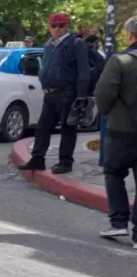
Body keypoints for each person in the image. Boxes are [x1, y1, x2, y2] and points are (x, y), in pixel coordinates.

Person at [17, 12, 90, 174]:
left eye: (61, 25)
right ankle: (37, 159)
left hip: (67, 92)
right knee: (43, 127)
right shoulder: (49, 45)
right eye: (54, 26)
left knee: (67, 128)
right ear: (49, 27)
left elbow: (83, 70)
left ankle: (65, 161)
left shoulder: (76, 43)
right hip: (50, 93)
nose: (57, 29)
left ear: (66, 26)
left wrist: (81, 95)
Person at [95, 16, 137, 247]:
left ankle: (119, 222)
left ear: (130, 35)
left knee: (113, 173)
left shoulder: (120, 61)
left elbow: (104, 93)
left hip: (121, 130)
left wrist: (106, 111)